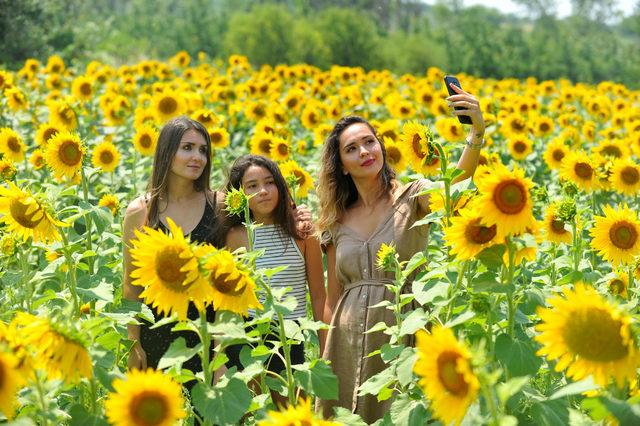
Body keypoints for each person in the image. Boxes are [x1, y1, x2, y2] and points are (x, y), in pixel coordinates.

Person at [317, 83, 485, 422]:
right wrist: (325, 358)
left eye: (369, 141)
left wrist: (476, 133)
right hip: (345, 343)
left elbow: (456, 186)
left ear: (381, 146)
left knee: (401, 411)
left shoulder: (412, 196)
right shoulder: (335, 221)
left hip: (404, 330)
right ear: (343, 165)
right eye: (352, 148)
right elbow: (332, 300)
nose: (364, 151)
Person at [123, 116, 223, 389]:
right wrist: (133, 345)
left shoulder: (218, 206)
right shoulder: (140, 212)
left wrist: (222, 354)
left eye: (203, 150)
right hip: (157, 332)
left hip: (207, 333)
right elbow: (131, 286)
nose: (198, 157)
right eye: (187, 147)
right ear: (167, 152)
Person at [223, 154, 326, 405]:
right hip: (248, 337)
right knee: (250, 410)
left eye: (270, 182)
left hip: (290, 335)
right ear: (239, 194)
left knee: (292, 410)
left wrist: (326, 346)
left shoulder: (302, 232)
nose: (263, 191)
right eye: (252, 186)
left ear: (281, 186)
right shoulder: (236, 237)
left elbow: (319, 295)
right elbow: (229, 301)